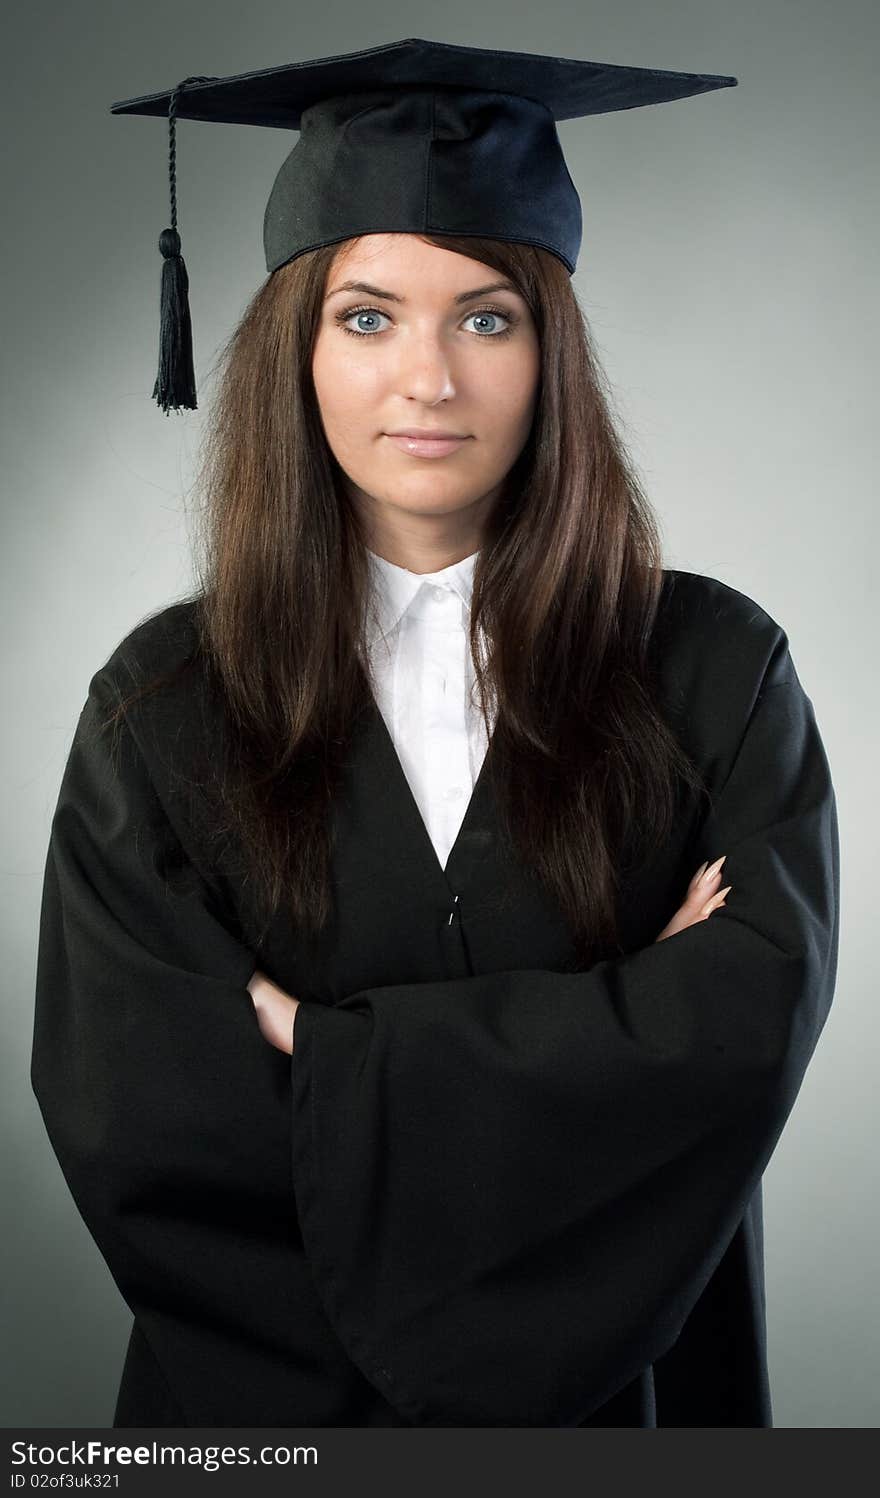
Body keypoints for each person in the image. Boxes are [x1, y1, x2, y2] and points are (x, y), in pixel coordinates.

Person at [31, 39, 839, 1428]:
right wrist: (616, 1018)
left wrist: (327, 1053)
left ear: (551, 347)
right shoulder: (160, 707)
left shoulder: (713, 673)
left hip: (630, 1406)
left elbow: (738, 1048)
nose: (428, 379)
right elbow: (150, 1129)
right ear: (293, 341)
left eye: (486, 316)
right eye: (366, 317)